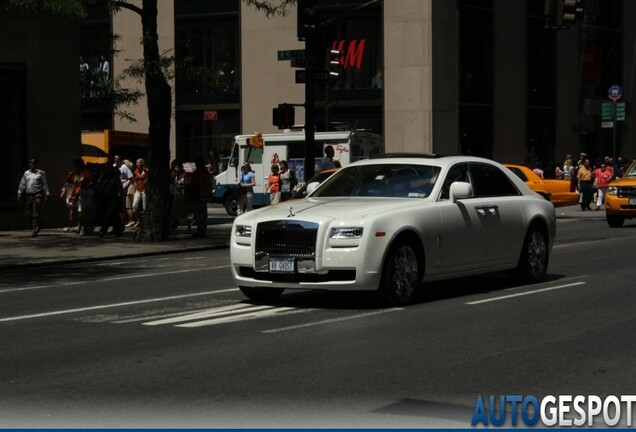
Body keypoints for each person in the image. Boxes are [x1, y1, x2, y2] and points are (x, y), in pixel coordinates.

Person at [17, 158, 50, 237]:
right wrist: (19, 193)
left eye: (34, 163)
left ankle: (34, 229)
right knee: (28, 213)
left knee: (36, 211)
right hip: (29, 195)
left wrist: (47, 193)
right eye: (31, 163)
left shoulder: (41, 173)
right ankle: (37, 224)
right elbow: (22, 183)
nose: (32, 165)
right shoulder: (26, 173)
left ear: (36, 164)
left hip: (37, 194)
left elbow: (44, 183)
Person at [96, 165, 124, 237]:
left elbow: (119, 188)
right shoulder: (106, 179)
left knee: (108, 214)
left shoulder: (115, 178)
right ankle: (118, 230)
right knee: (114, 215)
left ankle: (103, 230)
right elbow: (99, 185)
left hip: (114, 199)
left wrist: (119, 195)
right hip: (106, 199)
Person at [186, 157, 209, 238]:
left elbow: (193, 184)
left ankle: (200, 232)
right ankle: (203, 230)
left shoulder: (197, 173)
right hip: (204, 195)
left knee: (198, 214)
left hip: (197, 195)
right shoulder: (206, 172)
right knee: (203, 214)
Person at [170, 159, 192, 233]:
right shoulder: (174, 175)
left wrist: (183, 187)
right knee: (174, 211)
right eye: (175, 167)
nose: (176, 169)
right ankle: (172, 227)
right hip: (176, 195)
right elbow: (172, 184)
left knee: (186, 212)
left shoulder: (184, 175)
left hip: (183, 195)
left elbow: (187, 184)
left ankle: (189, 227)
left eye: (177, 167)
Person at [132, 158, 148, 228]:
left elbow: (148, 178)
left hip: (144, 189)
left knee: (145, 208)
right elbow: (135, 180)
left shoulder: (146, 170)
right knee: (134, 206)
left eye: (138, 163)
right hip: (138, 189)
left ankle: (145, 222)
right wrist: (134, 189)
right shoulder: (136, 170)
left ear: (142, 163)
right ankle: (138, 220)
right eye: (136, 163)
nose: (137, 164)